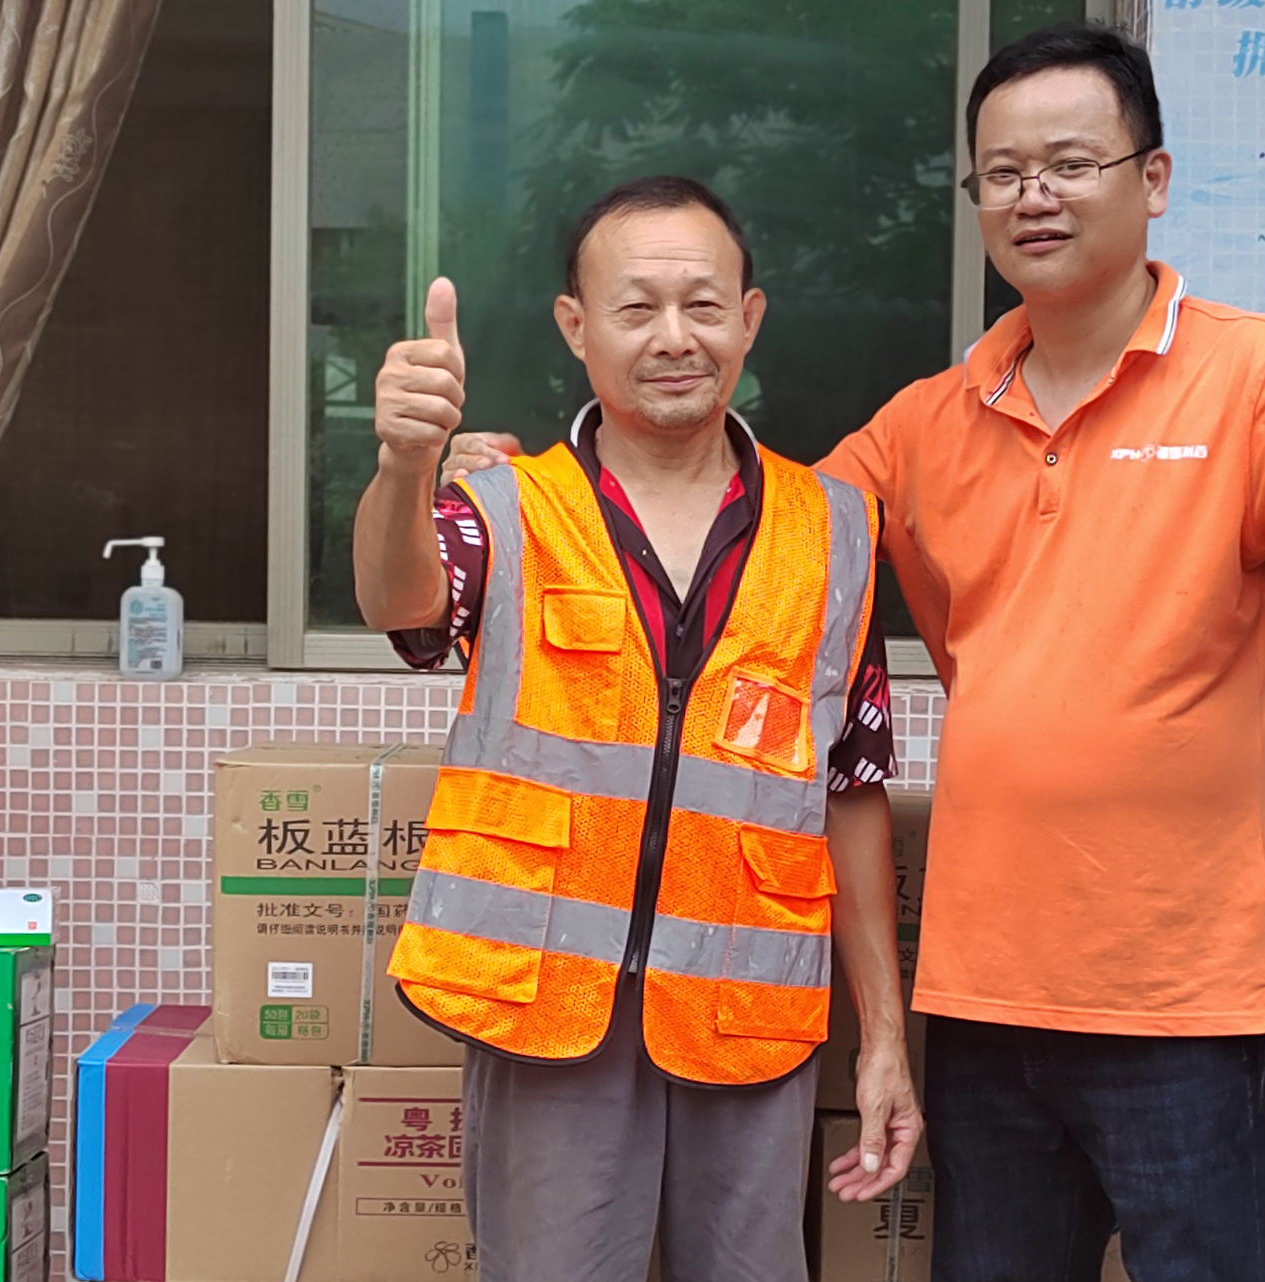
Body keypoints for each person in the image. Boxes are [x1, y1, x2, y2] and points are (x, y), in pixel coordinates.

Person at [444, 24, 1265, 1281]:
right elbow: (737, 525)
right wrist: (503, 485)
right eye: (1001, 173)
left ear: (1153, 179)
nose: (1032, 195)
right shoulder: (927, 421)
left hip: (1182, 993)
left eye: (1068, 163)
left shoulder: (1254, 372)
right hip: (978, 997)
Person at [353, 175, 921, 1282]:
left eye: (703, 306)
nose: (673, 337)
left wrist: (885, 1041)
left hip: (744, 1008)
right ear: (576, 326)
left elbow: (849, 788)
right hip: (547, 1005)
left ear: (749, 319)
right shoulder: (507, 507)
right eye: (635, 307)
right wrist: (403, 463)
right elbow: (399, 601)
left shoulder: (836, 530)